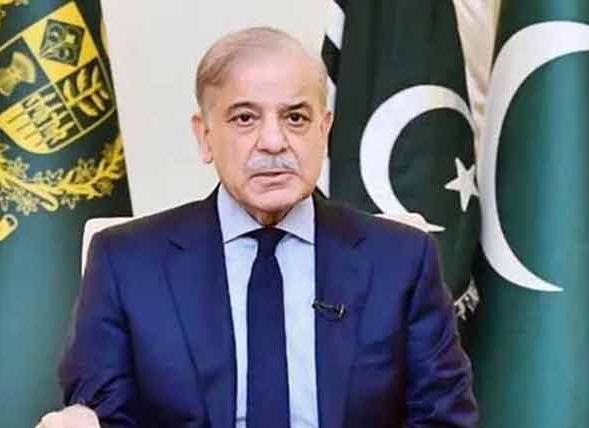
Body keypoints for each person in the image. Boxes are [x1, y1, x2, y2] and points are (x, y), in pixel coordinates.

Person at [39, 27, 479, 428]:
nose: (273, 142)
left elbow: (443, 419)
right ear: (205, 136)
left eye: (296, 118)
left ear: (324, 131)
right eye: (245, 118)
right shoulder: (126, 262)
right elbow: (106, 416)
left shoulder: (401, 260)